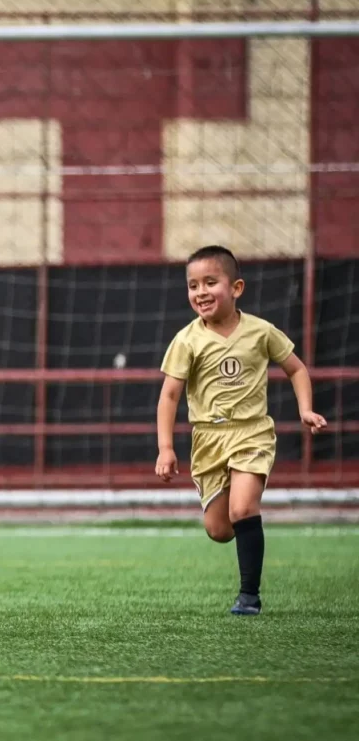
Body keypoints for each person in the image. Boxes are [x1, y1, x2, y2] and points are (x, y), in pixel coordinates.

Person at [155, 245, 327, 616]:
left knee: (244, 507)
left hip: (252, 434)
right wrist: (166, 448)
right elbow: (169, 396)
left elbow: (296, 368)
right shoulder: (187, 340)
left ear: (236, 288)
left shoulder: (261, 332)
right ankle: (241, 517)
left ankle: (249, 597)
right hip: (208, 440)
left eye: (210, 282)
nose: (200, 292)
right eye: (193, 285)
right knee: (219, 529)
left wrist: (305, 409)